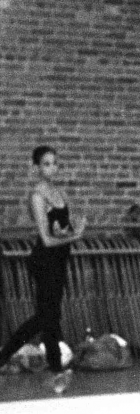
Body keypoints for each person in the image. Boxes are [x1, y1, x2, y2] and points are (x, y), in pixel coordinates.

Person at [0, 146, 87, 394]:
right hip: (44, 260)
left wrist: (71, 229)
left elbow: (60, 230)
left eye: (55, 163)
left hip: (58, 261)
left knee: (49, 317)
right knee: (45, 317)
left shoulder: (58, 192)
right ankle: (50, 368)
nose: (52, 168)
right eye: (46, 164)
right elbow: (47, 240)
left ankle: (56, 372)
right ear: (37, 168)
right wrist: (75, 236)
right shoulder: (38, 196)